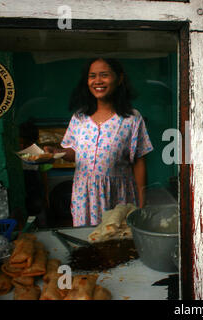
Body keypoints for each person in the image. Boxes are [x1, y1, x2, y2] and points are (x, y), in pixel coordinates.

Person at [44, 58, 153, 227]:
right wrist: (55, 152)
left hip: (119, 195)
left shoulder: (131, 118)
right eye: (92, 76)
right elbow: (74, 153)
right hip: (84, 195)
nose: (97, 81)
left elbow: (139, 161)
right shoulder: (79, 118)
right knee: (89, 243)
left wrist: (142, 201)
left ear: (119, 79)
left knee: (118, 241)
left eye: (104, 75)